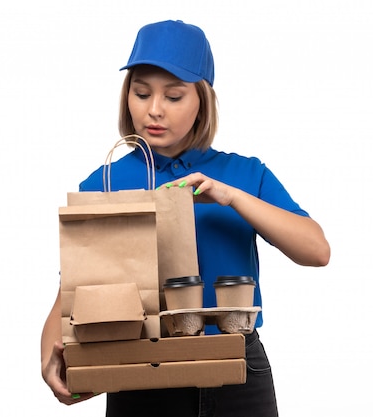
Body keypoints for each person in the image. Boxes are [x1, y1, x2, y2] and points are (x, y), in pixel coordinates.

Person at [41, 19, 330, 416]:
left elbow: (316, 251)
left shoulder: (244, 174)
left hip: (237, 366)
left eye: (174, 97)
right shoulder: (105, 181)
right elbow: (71, 292)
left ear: (202, 101)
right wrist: (50, 358)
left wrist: (230, 196)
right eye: (141, 94)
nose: (154, 110)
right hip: (139, 363)